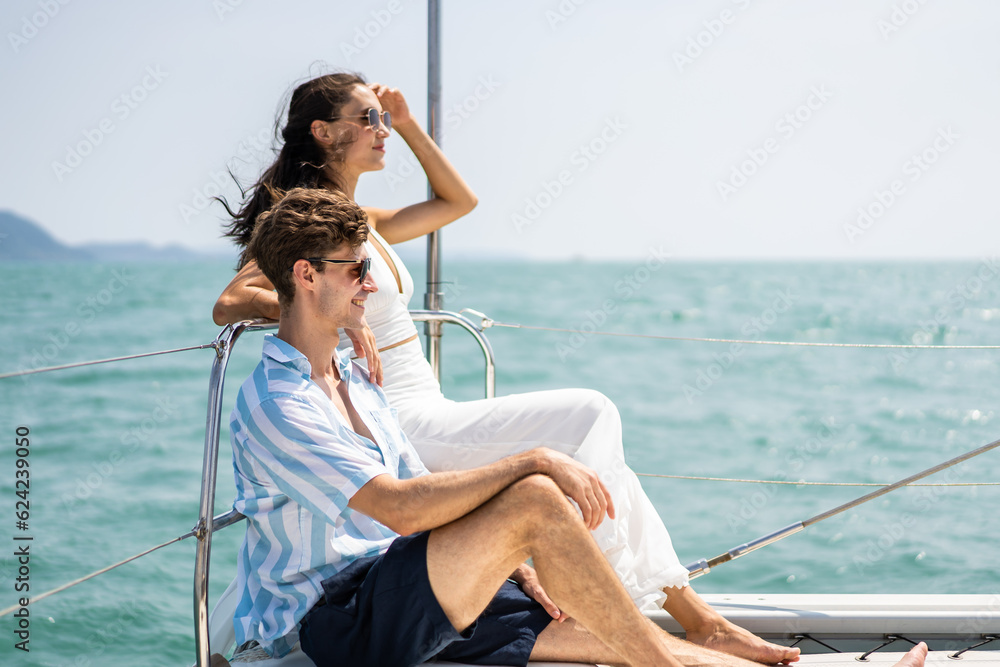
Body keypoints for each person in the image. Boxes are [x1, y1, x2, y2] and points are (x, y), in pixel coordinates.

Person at [229, 187, 929, 667]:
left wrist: (506, 557)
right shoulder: (280, 402)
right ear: (306, 275)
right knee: (537, 495)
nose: (371, 286)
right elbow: (398, 506)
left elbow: (419, 485)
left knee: (592, 633)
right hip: (335, 621)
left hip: (398, 585)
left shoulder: (351, 378)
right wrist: (531, 462)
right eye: (357, 271)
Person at [212, 72, 781, 662]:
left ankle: (683, 616)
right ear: (323, 132)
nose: (380, 129)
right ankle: (647, 614)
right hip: (397, 417)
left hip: (398, 407)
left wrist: (409, 124)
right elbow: (229, 302)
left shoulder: (358, 224)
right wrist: (347, 324)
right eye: (369, 118)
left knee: (593, 455)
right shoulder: (307, 228)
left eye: (382, 119)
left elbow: (458, 202)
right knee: (586, 420)